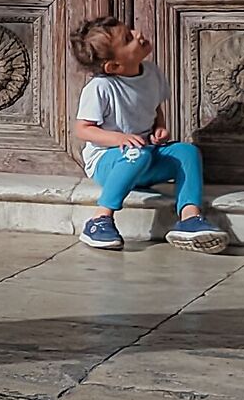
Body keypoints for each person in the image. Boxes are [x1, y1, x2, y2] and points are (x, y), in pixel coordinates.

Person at [68, 16, 229, 255]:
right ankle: (100, 220)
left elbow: (154, 107)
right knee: (137, 154)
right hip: (108, 161)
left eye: (131, 30)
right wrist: (119, 139)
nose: (138, 34)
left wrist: (159, 127)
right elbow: (83, 129)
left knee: (187, 152)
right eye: (128, 39)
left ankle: (189, 218)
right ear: (114, 66)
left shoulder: (151, 72)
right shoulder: (100, 88)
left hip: (145, 154)